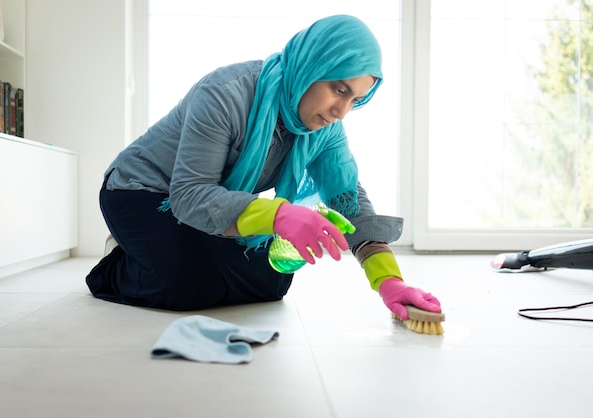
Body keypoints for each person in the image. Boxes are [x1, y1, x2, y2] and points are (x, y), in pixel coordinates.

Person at [86, 15, 442, 321]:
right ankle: (117, 265)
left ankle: (174, 252)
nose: (341, 111)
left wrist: (389, 282)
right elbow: (190, 194)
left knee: (274, 280)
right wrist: (279, 215)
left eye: (355, 99)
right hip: (141, 191)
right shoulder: (226, 94)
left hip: (209, 203)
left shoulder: (325, 131)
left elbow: (350, 203)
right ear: (311, 67)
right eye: (338, 89)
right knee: (188, 284)